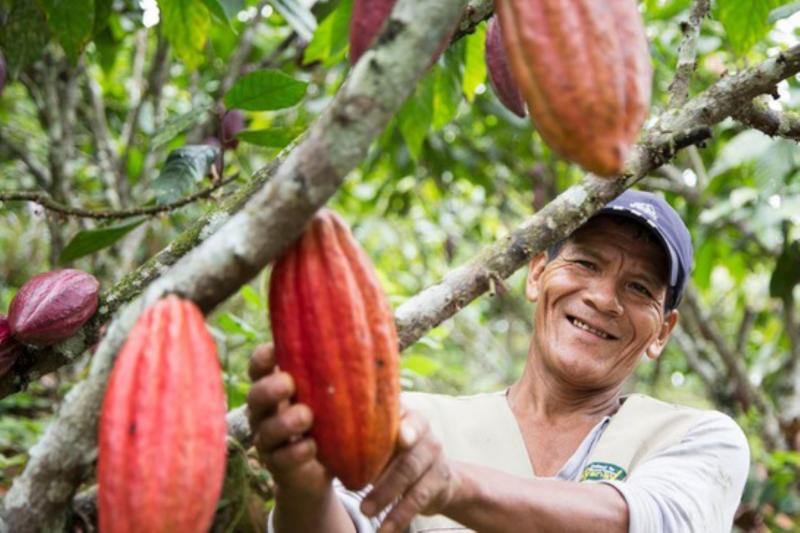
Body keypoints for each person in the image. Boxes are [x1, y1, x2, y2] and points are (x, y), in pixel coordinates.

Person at [247, 189, 750, 533]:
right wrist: (303, 486)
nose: (603, 298)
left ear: (662, 332)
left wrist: (452, 485)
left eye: (639, 288)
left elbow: (640, 520)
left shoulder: (698, 439)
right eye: (585, 263)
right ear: (536, 275)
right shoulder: (416, 422)